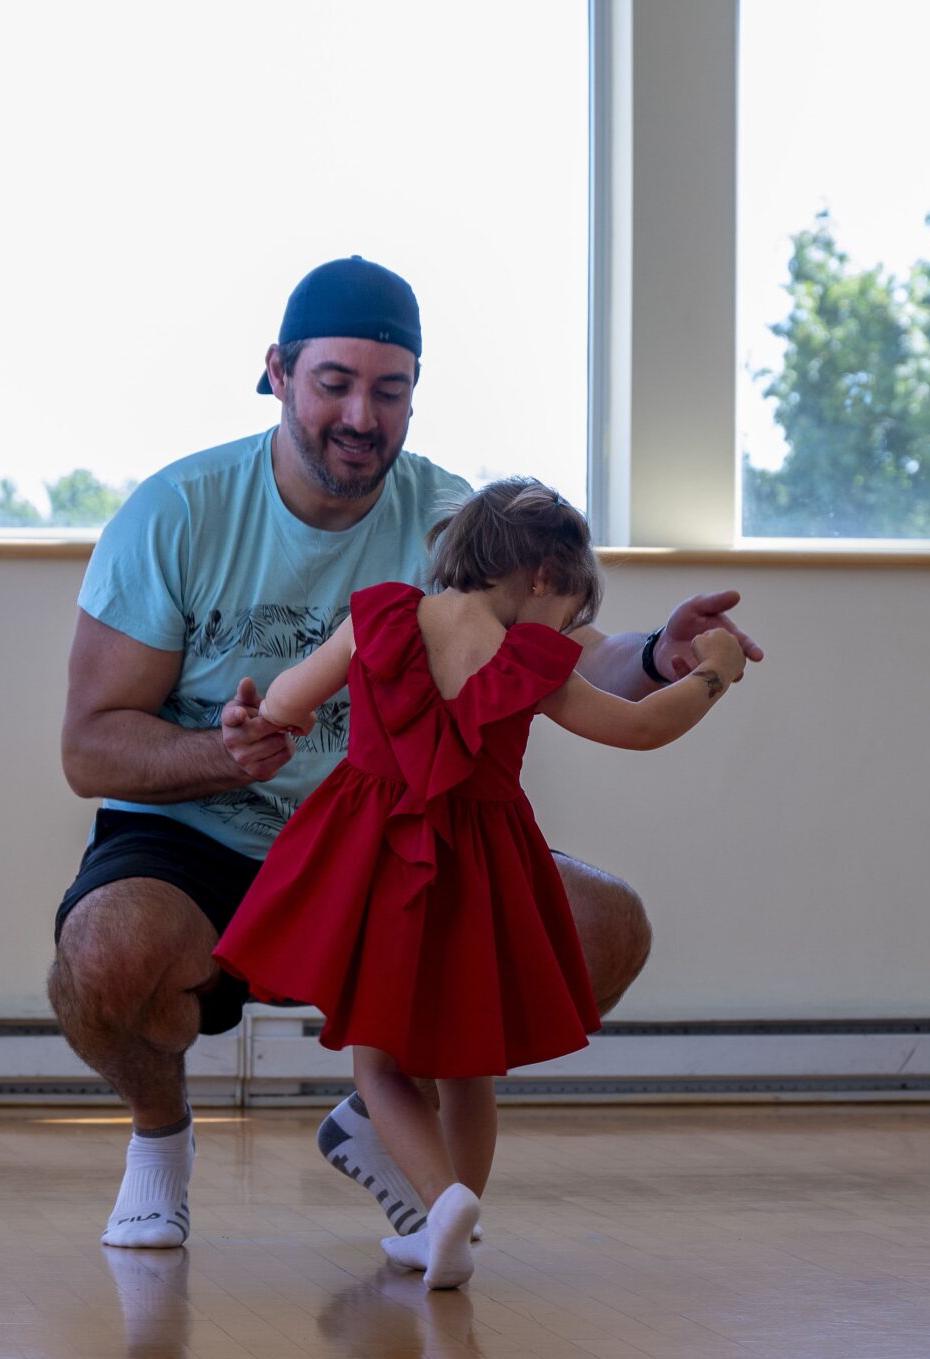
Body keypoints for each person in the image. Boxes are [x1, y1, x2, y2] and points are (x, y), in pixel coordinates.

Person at [50, 255, 765, 1250]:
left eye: (389, 391)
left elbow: (561, 659)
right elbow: (91, 750)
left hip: (393, 847)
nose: (360, 414)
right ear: (279, 373)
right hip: (200, 845)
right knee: (105, 952)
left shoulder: (452, 517)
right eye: (335, 383)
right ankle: (161, 1142)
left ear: (414, 397)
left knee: (606, 926)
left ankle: (389, 1123)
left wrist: (662, 653)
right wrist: (229, 755)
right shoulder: (178, 513)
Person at [212, 478, 749, 1288]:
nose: (565, 625)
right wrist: (715, 673)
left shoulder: (382, 617)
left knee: (381, 1065)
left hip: (376, 857)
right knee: (469, 1062)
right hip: (484, 870)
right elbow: (640, 727)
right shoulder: (529, 663)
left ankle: (441, 1206)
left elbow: (287, 701)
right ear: (540, 574)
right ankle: (457, 1219)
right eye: (567, 605)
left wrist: (266, 722)